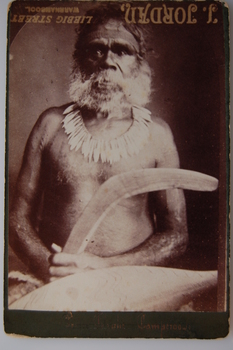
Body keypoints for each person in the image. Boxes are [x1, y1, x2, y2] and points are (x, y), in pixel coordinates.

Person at [9, 5, 188, 284]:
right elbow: (17, 219)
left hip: (130, 283)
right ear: (80, 59)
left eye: (121, 50)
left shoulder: (157, 135)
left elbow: (176, 236)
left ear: (138, 63)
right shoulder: (51, 124)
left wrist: (104, 267)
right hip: (54, 281)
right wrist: (52, 270)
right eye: (96, 49)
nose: (107, 61)